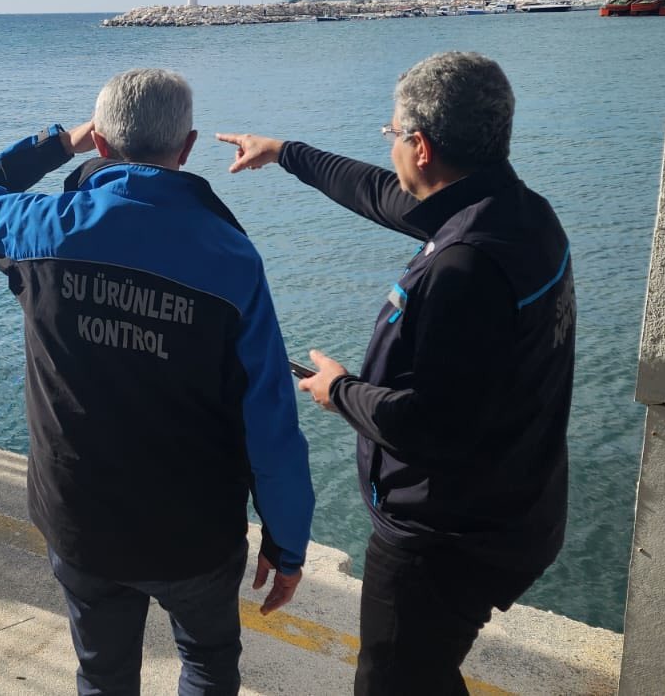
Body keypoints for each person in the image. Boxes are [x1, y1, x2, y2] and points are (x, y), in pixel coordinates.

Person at [0, 68, 315, 695]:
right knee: (207, 661)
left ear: (101, 143)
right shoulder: (232, 258)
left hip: (79, 519)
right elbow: (269, 419)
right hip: (193, 532)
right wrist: (287, 540)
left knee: (102, 669)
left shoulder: (39, 229)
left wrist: (59, 143)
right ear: (187, 147)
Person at [217, 51, 573, 695]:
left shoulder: (463, 269)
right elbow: (383, 194)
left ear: (422, 146)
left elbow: (434, 426)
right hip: (518, 507)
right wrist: (286, 153)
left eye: (392, 135)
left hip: (445, 540)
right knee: (424, 674)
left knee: (392, 683)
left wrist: (339, 391)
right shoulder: (520, 214)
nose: (391, 149)